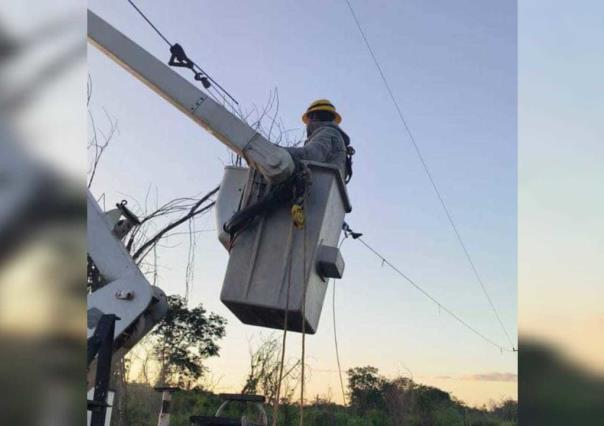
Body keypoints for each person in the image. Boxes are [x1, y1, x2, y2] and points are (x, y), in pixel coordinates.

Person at [285, 99, 353, 183]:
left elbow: (310, 155)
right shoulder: (335, 136)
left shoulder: (327, 133)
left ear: (314, 117)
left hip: (316, 188)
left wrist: (279, 151)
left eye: (308, 120)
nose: (307, 124)